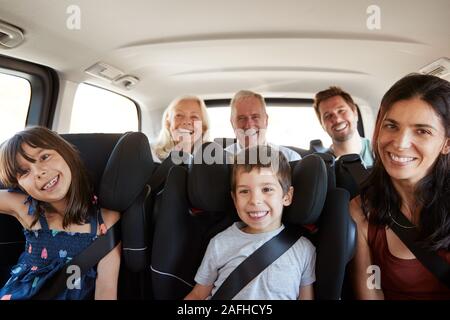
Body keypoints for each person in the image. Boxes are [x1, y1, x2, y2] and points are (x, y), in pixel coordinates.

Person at [349, 74, 450, 300]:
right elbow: (372, 288)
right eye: (391, 126)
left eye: (422, 131)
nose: (400, 143)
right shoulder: (362, 209)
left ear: (447, 143)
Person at [0, 126, 121, 300]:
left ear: (65, 153)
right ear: (19, 185)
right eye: (24, 172)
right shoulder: (26, 209)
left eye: (44, 157)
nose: (39, 172)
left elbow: (106, 291)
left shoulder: (106, 220)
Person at [185, 145, 315, 300]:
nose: (255, 201)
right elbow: (199, 295)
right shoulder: (220, 243)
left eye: (267, 189)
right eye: (244, 191)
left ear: (286, 196)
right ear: (234, 199)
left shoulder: (304, 249)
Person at [225, 90, 301, 161]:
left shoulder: (290, 158)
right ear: (232, 124)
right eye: (241, 118)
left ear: (266, 120)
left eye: (255, 117)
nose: (249, 125)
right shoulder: (221, 161)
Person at [313, 86, 374, 167]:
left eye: (341, 111)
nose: (337, 119)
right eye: (328, 116)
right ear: (322, 124)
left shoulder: (378, 152)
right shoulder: (321, 166)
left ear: (355, 112)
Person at [151, 95, 210, 162]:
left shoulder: (213, 157)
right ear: (168, 123)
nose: (186, 121)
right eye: (179, 115)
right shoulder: (151, 153)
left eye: (194, 116)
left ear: (203, 127)